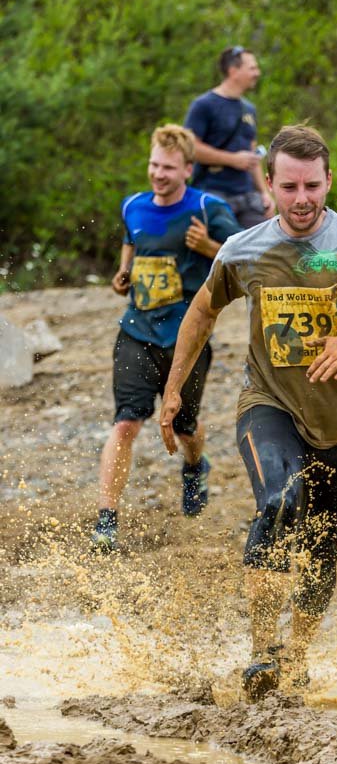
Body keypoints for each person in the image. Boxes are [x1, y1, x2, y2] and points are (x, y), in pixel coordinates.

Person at [159, 124, 337, 702]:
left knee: (320, 553)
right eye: (290, 187)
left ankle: (299, 656)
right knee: (280, 501)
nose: (303, 198)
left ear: (329, 180)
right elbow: (202, 312)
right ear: (269, 185)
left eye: (313, 185)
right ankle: (262, 651)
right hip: (269, 403)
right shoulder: (244, 249)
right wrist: (174, 389)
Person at [91, 124, 240, 552]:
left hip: (186, 337)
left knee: (184, 426)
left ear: (188, 170)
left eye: (168, 168)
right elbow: (131, 251)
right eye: (154, 164)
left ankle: (195, 467)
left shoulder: (209, 207)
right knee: (126, 423)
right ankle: (107, 519)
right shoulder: (133, 205)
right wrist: (122, 279)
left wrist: (207, 244)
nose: (158, 174)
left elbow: (242, 257)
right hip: (136, 330)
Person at [184, 45, 275, 228]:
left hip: (247, 195)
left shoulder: (249, 109)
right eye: (252, 68)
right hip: (212, 193)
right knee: (222, 249)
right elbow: (189, 148)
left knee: (261, 250)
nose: (257, 73)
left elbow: (252, 156)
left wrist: (265, 193)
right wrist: (232, 159)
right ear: (233, 71)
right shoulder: (203, 105)